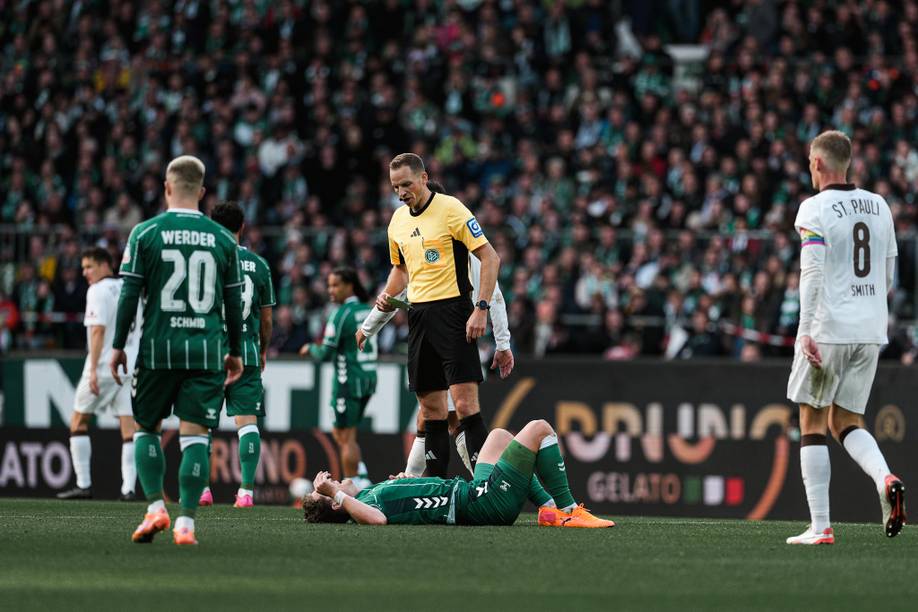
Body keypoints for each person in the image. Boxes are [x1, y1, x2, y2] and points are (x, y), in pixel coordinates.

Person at [110, 155, 244, 546]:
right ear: (202, 192)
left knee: (146, 429)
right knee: (195, 437)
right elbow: (233, 305)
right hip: (205, 352)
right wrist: (235, 350)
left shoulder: (144, 233)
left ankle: (155, 508)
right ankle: (186, 522)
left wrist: (118, 346)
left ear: (167, 188)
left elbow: (129, 294)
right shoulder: (223, 239)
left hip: (157, 350)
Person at [786, 130, 906, 545]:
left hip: (829, 329)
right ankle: (884, 477)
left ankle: (820, 526)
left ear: (817, 163)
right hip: (871, 329)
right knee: (848, 421)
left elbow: (813, 273)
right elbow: (889, 272)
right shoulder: (880, 205)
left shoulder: (813, 208)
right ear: (848, 162)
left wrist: (806, 332)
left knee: (812, 421)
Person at [357, 180, 514, 477]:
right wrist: (369, 325)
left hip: (460, 330)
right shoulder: (413, 240)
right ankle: (422, 479)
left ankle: (479, 482)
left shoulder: (464, 248)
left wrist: (503, 344)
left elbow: (493, 295)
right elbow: (400, 292)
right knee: (433, 415)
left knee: (453, 415)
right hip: (428, 329)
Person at [302, 419, 614, 528]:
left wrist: (410, 484)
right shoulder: (364, 507)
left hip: (473, 493)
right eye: (326, 486)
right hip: (483, 503)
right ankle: (570, 511)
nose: (333, 480)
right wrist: (337, 495)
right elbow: (377, 520)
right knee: (540, 430)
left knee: (499, 436)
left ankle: (548, 509)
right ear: (334, 503)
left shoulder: (369, 495)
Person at [198, 201, 275, 508]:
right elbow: (267, 320)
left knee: (201, 423)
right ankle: (245, 491)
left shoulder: (204, 262)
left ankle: (202, 489)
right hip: (248, 354)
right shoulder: (259, 265)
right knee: (248, 423)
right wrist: (263, 348)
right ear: (242, 227)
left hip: (210, 353)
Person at [57, 247, 142, 501]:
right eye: (83, 268)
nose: (85, 273)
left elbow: (97, 331)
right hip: (129, 366)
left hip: (105, 366)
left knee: (77, 423)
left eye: (89, 266)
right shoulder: (130, 288)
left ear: (106, 264)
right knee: (129, 428)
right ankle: (128, 489)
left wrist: (92, 370)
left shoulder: (97, 291)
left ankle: (84, 485)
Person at [300, 267, 376, 490]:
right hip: (368, 377)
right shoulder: (366, 309)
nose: (330, 290)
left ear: (349, 286)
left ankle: (352, 487)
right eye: (329, 285)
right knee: (343, 433)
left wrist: (309, 349)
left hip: (348, 380)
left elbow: (325, 353)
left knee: (346, 436)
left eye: (335, 285)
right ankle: (361, 474)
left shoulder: (342, 314)